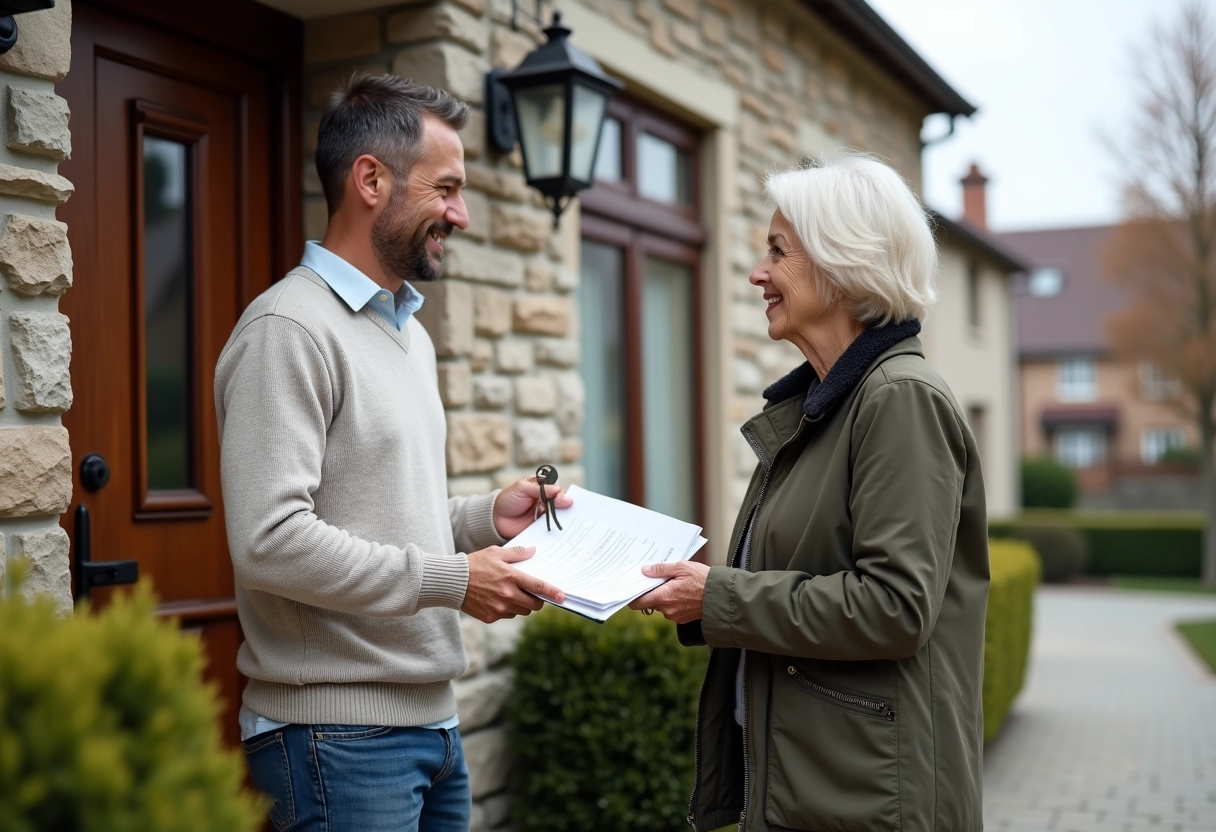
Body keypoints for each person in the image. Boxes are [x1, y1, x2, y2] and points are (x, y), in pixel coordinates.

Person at [215, 75, 570, 832]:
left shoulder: (407, 333)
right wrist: (453, 581)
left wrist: (483, 520)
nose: (461, 215)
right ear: (370, 178)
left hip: (432, 732)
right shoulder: (288, 328)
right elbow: (269, 542)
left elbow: (372, 510)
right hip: (333, 739)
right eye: (446, 188)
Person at [631, 152, 990, 831]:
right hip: (821, 787)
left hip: (870, 802)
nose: (757, 273)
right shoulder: (823, 410)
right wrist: (707, 597)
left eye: (778, 251)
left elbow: (895, 607)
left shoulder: (899, 401)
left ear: (841, 261)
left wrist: (719, 596)